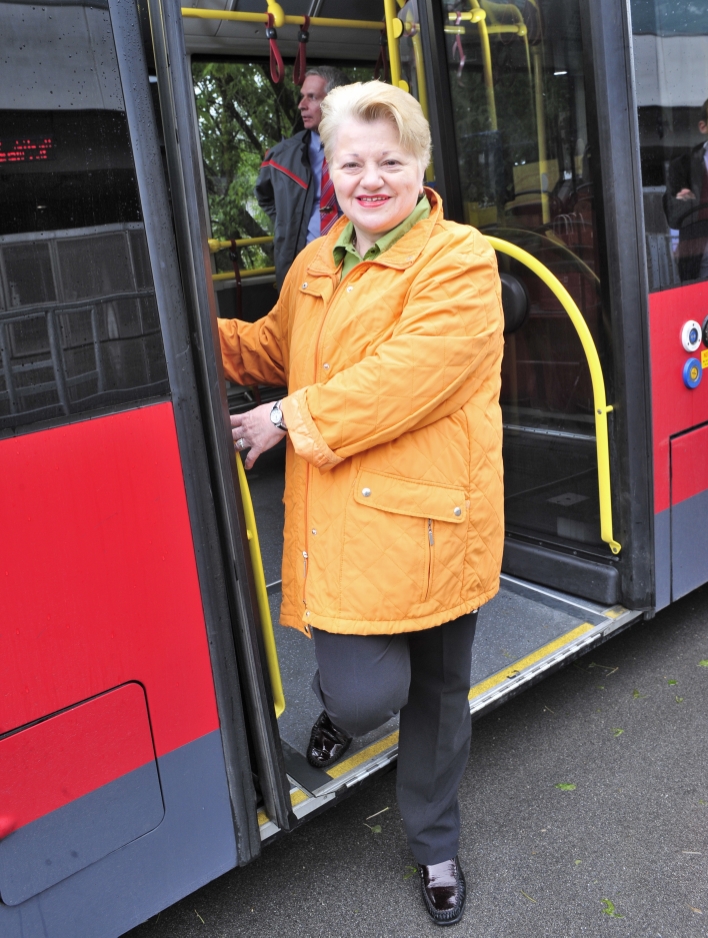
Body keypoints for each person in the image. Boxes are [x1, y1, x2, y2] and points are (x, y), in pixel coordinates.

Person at [219, 81, 504, 927]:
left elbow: (407, 379)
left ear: (419, 165)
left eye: (390, 160)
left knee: (439, 699)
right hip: (347, 528)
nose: (371, 178)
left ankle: (435, 843)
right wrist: (182, 312)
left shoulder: (460, 257)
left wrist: (285, 416)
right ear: (330, 170)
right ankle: (348, 717)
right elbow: (270, 347)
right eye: (352, 162)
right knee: (362, 696)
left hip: (438, 523)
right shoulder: (316, 261)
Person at [255, 65, 350, 289]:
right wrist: (289, 219)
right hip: (302, 268)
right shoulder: (281, 156)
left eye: (312, 97)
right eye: (302, 97)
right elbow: (265, 196)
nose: (301, 105)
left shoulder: (368, 150)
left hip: (353, 267)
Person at [664, 98, 708, 283]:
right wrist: (682, 201)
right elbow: (673, 217)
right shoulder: (682, 166)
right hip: (699, 253)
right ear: (703, 126)